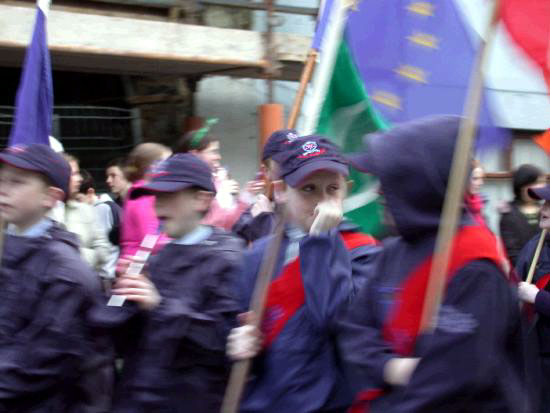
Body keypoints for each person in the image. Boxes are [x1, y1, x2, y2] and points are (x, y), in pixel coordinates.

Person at [338, 116, 533, 412]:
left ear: (417, 183)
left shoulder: (475, 267)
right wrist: (390, 367)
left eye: (389, 180)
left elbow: (453, 377)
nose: (379, 192)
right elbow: (355, 330)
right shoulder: (393, 250)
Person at [227, 137, 380, 412]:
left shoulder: (363, 252)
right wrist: (237, 344)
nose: (322, 201)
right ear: (281, 190)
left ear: (347, 190)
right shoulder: (256, 256)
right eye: (308, 189)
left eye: (332, 189)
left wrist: (322, 239)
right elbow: (237, 332)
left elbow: (336, 320)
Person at [107, 153, 243, 412]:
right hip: (140, 397)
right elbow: (133, 342)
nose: (157, 208)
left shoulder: (227, 258)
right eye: (156, 197)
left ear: (201, 200)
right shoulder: (159, 257)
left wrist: (158, 305)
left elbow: (221, 343)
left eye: (168, 196)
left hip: (192, 400)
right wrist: (121, 303)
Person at [0, 144, 113, 411]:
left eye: (17, 182)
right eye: (1, 178)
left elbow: (33, 364)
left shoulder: (64, 272)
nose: (3, 188)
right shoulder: (9, 247)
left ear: (49, 197)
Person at [175, 126, 263, 230]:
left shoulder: (214, 180)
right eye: (213, 151)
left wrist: (247, 195)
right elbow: (207, 228)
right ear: (194, 154)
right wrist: (222, 195)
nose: (219, 157)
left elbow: (230, 223)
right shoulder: (182, 185)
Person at [516, 185, 550, 413]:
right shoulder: (534, 245)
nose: (543, 209)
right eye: (543, 203)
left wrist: (538, 297)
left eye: (549, 205)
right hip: (535, 357)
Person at [232, 129, 299, 244]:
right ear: (266, 171)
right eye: (284, 161)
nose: (293, 165)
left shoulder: (316, 202)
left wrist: (265, 223)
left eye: (298, 158)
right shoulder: (258, 210)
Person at [60, 153, 110, 274]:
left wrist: (74, 255)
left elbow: (103, 251)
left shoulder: (86, 210)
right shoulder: (41, 211)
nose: (80, 179)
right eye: (74, 174)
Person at [120, 142, 172, 258]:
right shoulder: (143, 196)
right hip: (139, 265)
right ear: (153, 167)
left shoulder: (140, 192)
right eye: (167, 163)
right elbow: (151, 239)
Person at [78, 169, 121, 283]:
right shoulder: (108, 206)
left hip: (106, 278)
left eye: (78, 200)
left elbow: (104, 248)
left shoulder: (101, 209)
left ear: (90, 193)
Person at [500, 164, 545, 266]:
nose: (542, 186)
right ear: (523, 185)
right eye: (538, 182)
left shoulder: (545, 210)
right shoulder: (509, 215)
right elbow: (513, 253)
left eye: (543, 182)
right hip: (525, 273)